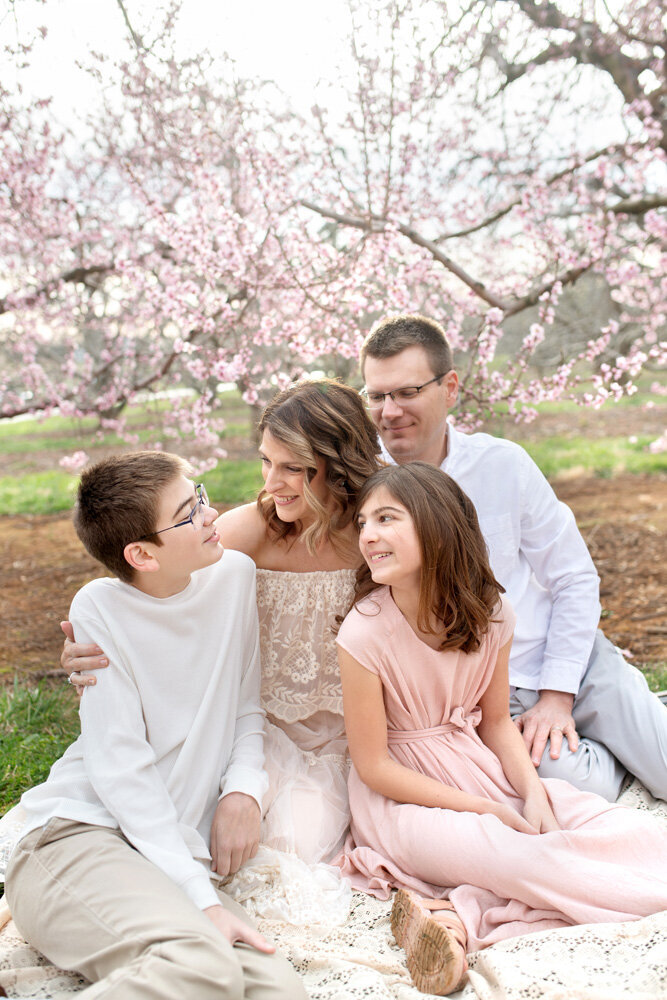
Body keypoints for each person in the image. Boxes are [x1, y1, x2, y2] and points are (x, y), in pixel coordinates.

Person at [334, 462, 667, 996]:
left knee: (591, 817)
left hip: (471, 764)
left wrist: (531, 794)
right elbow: (374, 768)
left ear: (435, 524)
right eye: (364, 522)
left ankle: (452, 915)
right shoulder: (364, 633)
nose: (368, 534)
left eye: (386, 518)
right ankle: (455, 912)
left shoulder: (492, 614)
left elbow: (495, 724)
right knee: (518, 854)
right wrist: (489, 809)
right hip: (400, 801)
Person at [4, 451, 306, 1000]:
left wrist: (242, 789)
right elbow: (122, 773)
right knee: (200, 969)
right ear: (141, 553)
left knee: (276, 988)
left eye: (203, 497)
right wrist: (204, 898)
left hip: (162, 853)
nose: (212, 515)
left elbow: (244, 704)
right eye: (190, 512)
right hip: (79, 838)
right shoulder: (99, 608)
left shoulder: (232, 576)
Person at [58, 380, 382, 872]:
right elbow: (154, 575)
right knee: (231, 849)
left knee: (304, 855)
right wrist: (97, 647)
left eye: (293, 468)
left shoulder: (378, 533)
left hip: (357, 737)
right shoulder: (254, 530)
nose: (272, 483)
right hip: (259, 730)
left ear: (340, 468)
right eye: (266, 461)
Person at [360, 313, 667, 801]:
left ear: (450, 388)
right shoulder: (365, 488)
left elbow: (574, 578)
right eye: (376, 396)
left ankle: (628, 715)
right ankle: (617, 744)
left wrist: (559, 695)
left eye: (407, 392)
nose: (389, 411)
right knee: (580, 790)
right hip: (498, 691)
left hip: (572, 657)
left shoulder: (503, 464)